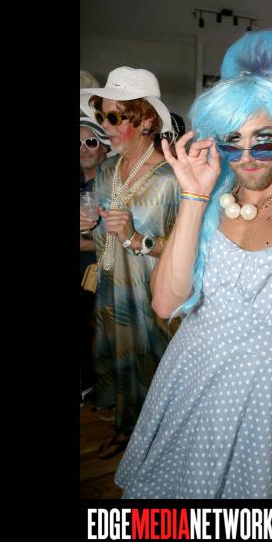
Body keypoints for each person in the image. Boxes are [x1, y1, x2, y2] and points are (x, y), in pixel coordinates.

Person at [115, 30, 272, 499]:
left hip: (256, 404)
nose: (246, 158)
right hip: (184, 379)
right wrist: (194, 196)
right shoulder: (211, 197)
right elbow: (166, 304)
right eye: (232, 142)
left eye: (263, 142)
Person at [79, 66, 180, 459]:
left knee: (152, 371)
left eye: (114, 116)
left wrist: (138, 239)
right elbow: (102, 232)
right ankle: (126, 429)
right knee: (116, 363)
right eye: (101, 115)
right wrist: (88, 225)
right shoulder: (106, 169)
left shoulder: (171, 179)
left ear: (146, 120)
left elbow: (189, 252)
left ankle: (156, 446)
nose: (105, 125)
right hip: (110, 291)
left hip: (150, 300)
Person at [79, 117, 110, 404]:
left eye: (90, 142)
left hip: (98, 271)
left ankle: (89, 383)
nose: (83, 148)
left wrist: (87, 242)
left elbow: (119, 241)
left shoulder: (111, 185)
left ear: (104, 147)